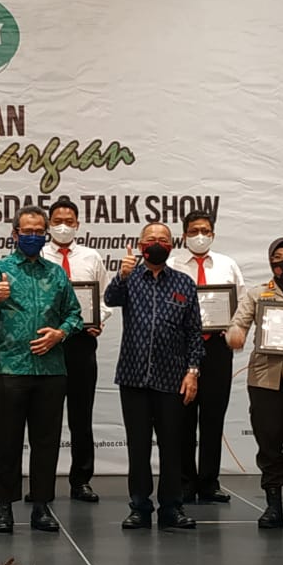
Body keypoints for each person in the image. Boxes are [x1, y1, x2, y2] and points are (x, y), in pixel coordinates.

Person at [0, 205, 84, 534]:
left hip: (51, 369)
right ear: (15, 234)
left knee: (46, 441)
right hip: (10, 367)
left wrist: (60, 333)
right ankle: (4, 507)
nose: (33, 236)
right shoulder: (0, 269)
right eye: (27, 231)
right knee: (7, 440)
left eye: (39, 232)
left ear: (45, 235)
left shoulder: (56, 273)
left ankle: (42, 506)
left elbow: (75, 314)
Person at [104, 223, 203, 530]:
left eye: (163, 239)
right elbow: (109, 299)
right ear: (140, 245)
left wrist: (193, 372)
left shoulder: (184, 283)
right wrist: (122, 275)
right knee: (138, 446)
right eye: (151, 239)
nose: (157, 243)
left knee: (173, 446)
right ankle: (140, 507)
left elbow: (194, 332)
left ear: (172, 245)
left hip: (172, 378)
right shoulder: (130, 278)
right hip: (133, 376)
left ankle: (172, 507)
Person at [227, 238, 283, 529]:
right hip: (264, 378)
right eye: (277, 257)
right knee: (267, 441)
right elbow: (238, 322)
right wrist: (235, 335)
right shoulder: (257, 293)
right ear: (269, 261)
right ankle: (272, 505)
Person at [167, 209, 244, 504]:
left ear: (213, 234)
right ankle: (185, 481)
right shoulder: (172, 264)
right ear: (184, 235)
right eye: (193, 231)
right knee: (183, 416)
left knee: (213, 416)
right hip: (180, 348)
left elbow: (241, 305)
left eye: (205, 231)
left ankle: (209, 482)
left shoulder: (227, 265)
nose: (199, 236)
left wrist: (236, 330)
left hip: (217, 348)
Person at [42, 196, 111, 503]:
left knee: (81, 416)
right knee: (46, 417)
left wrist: (99, 320)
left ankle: (81, 480)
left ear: (78, 225)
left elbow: (104, 299)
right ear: (48, 224)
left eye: (69, 222)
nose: (63, 227)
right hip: (47, 343)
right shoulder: (38, 255)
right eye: (58, 221)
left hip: (82, 343)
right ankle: (42, 482)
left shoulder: (91, 257)